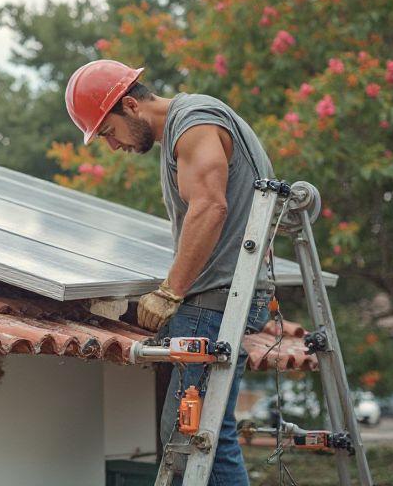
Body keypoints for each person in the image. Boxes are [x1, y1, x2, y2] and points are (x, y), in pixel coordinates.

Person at [65, 59, 274, 485]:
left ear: (130, 105)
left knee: (193, 438)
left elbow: (211, 207)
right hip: (221, 298)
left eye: (108, 131)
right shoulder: (187, 128)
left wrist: (170, 291)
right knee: (205, 435)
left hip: (212, 301)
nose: (112, 145)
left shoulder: (193, 123)